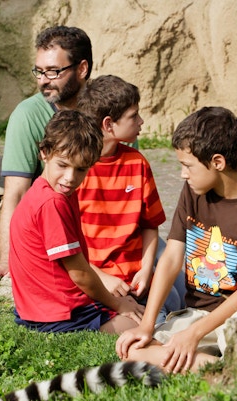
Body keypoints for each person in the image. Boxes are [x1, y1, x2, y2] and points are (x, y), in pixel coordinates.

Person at [115, 106, 237, 373]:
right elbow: (172, 257)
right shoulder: (194, 190)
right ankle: (218, 369)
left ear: (217, 162)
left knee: (230, 348)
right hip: (199, 311)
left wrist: (194, 334)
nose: (182, 174)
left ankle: (223, 368)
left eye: (187, 166)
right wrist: (147, 324)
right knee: (132, 351)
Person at [0, 25, 92, 281]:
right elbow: (15, 193)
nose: (43, 80)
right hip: (55, 231)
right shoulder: (27, 115)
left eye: (53, 71)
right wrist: (7, 263)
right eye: (39, 71)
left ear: (82, 69)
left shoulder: (109, 107)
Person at [9, 109, 145, 334]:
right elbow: (80, 274)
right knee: (141, 323)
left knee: (139, 309)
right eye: (63, 165)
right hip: (56, 314)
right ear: (44, 153)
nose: (71, 177)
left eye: (81, 169)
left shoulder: (49, 191)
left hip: (40, 307)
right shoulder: (52, 202)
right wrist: (117, 304)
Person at [76, 75, 183, 322]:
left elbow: (149, 224)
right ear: (108, 124)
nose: (141, 121)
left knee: (176, 298)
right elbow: (67, 243)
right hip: (95, 281)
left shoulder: (137, 163)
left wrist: (146, 270)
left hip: (135, 277)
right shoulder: (76, 171)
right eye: (134, 116)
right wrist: (102, 278)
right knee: (158, 323)